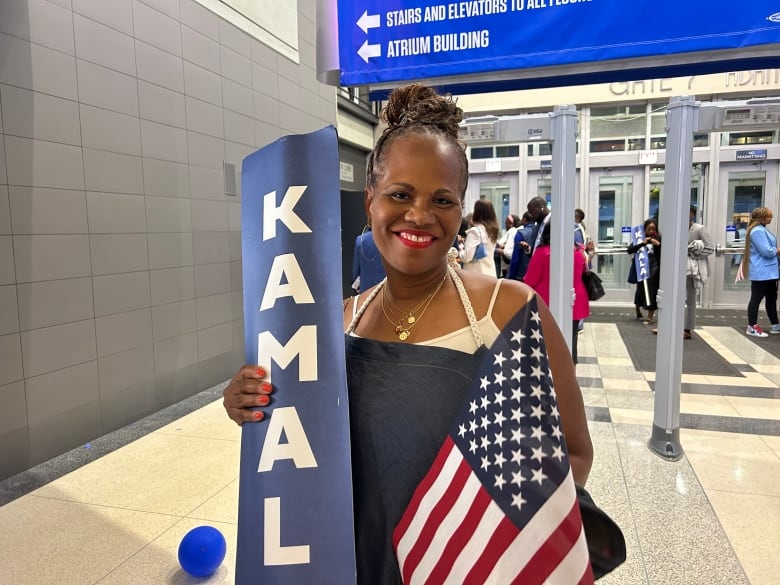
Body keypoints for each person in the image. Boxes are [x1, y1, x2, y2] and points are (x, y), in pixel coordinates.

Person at [221, 83, 594, 584]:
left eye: (442, 199)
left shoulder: (508, 311)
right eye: (400, 194)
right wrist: (250, 400)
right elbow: (300, 445)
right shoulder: (334, 323)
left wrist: (492, 547)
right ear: (371, 200)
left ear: (461, 209)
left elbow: (574, 451)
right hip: (355, 563)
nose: (419, 215)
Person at [523, 222, 590, 364]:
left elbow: (530, 280)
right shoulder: (578, 252)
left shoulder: (543, 252)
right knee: (570, 342)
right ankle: (570, 375)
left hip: (546, 302)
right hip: (574, 300)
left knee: (546, 342)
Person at [742, 206, 780, 337]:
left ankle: (775, 324)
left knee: (771, 298)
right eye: (769, 216)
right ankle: (751, 326)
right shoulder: (757, 231)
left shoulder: (762, 230)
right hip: (762, 272)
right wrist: (778, 250)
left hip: (769, 272)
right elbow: (767, 251)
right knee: (756, 299)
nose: (771, 218)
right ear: (762, 217)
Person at [686, 206, 714, 339]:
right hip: (677, 269)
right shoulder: (675, 227)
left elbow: (709, 248)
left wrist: (691, 252)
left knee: (690, 299)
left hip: (691, 269)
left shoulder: (699, 229)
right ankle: (670, 326)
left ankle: (687, 329)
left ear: (692, 214)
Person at [626, 219, 661, 326]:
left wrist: (658, 245)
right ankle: (638, 309)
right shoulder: (640, 238)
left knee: (652, 290)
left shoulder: (659, 238)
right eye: (649, 229)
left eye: (653, 229)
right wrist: (642, 243)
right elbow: (630, 250)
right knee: (640, 289)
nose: (651, 231)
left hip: (654, 267)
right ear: (644, 229)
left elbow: (664, 253)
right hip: (641, 268)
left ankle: (650, 315)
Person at [461, 198, 500, 276]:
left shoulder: (475, 231)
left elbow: (466, 257)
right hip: (490, 274)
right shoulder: (493, 230)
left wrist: (460, 248)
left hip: (476, 276)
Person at [351, 227, 386, 292]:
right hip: (385, 287)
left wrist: (356, 285)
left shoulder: (360, 240)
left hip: (365, 287)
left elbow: (356, 268)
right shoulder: (388, 239)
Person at [506, 211, 534, 280]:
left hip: (520, 273)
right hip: (532, 273)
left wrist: (510, 275)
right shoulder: (538, 232)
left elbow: (515, 256)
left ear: (524, 219)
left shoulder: (520, 234)